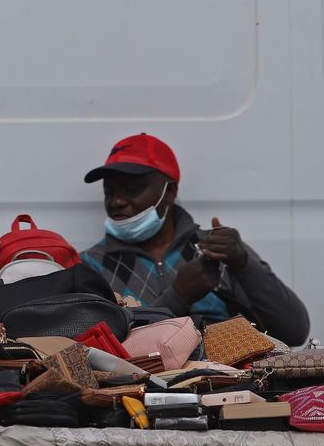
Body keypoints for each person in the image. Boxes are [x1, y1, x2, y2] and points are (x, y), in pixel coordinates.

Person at [80, 133, 310, 345]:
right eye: (109, 192)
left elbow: (295, 332)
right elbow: (98, 348)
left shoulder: (215, 249)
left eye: (132, 190)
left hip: (223, 387)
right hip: (133, 390)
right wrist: (178, 297)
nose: (117, 201)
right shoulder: (90, 266)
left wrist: (244, 263)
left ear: (169, 192)